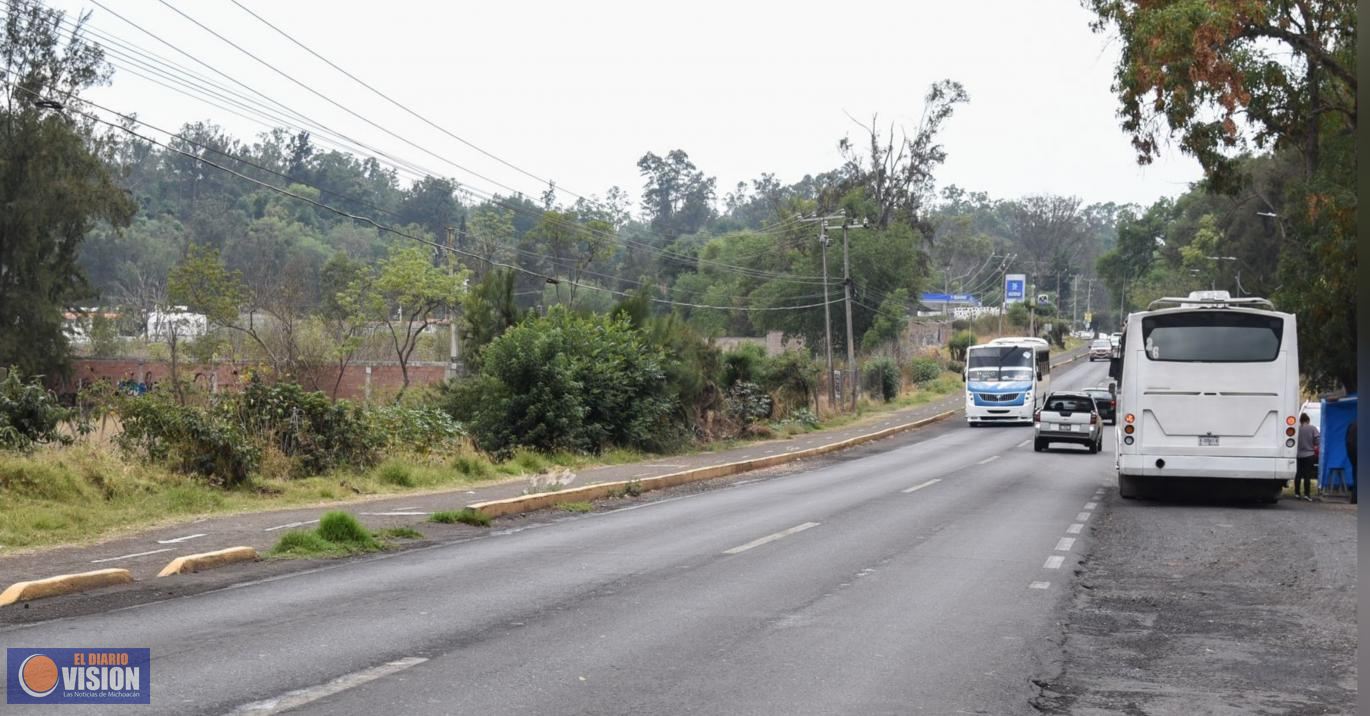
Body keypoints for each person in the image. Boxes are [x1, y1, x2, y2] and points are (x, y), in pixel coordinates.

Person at [1295, 412, 1320, 501]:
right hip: (1309, 455)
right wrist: (1315, 445)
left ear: (1300, 421)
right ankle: (1307, 494)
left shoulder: (1297, 429)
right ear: (1308, 420)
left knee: (1298, 474)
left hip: (1298, 455)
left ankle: (1297, 493)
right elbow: (1317, 440)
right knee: (1307, 475)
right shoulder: (1312, 428)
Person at [1347, 419, 1357, 505]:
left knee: (1356, 477)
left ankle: (1354, 498)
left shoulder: (1352, 425)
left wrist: (1352, 458)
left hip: (1354, 457)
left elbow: (1348, 442)